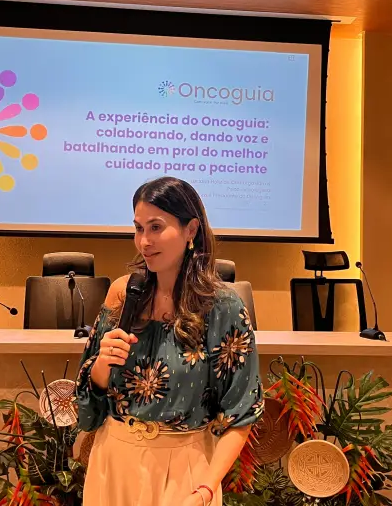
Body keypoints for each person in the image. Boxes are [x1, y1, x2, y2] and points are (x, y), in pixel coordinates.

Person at [75, 176, 263, 506]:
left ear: (191, 230)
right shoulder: (123, 293)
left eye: (156, 227)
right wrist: (102, 365)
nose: (144, 241)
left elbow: (242, 413)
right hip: (113, 463)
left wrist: (205, 490)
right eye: (138, 228)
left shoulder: (223, 307)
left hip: (186, 473)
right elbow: (89, 406)